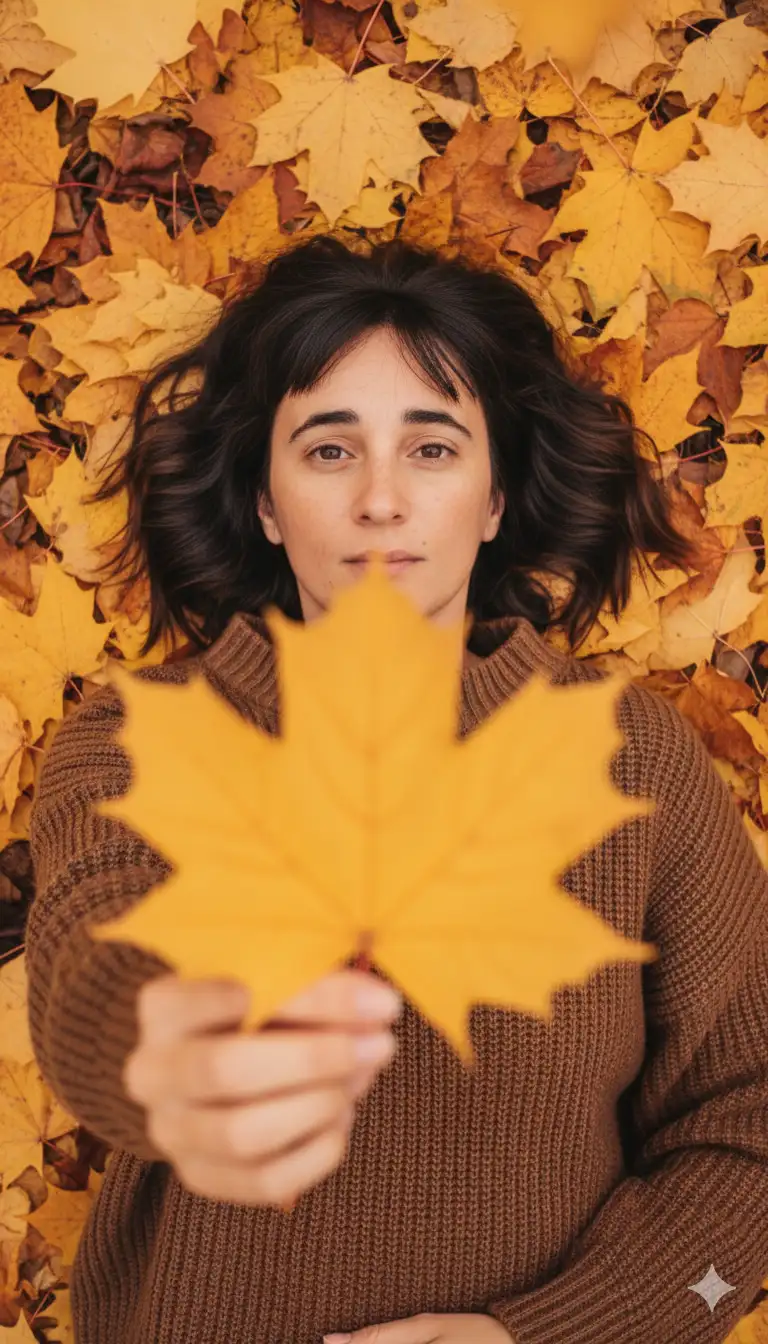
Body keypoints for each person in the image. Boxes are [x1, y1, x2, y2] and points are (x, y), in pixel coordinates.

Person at [27, 234, 768, 1344]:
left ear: (496, 497)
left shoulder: (637, 768)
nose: (381, 500)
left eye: (432, 449)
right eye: (328, 452)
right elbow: (95, 948)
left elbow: (745, 1127)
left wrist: (553, 1335)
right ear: (267, 503)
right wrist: (165, 1050)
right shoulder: (138, 740)